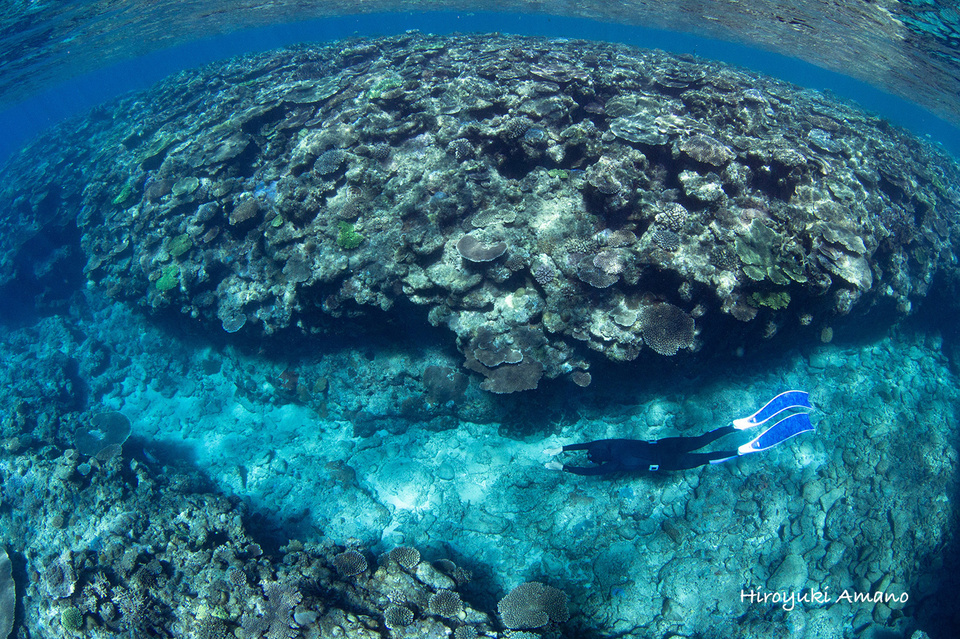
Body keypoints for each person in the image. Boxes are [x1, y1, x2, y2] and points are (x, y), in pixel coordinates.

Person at [545, 390, 813, 476]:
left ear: (602, 459)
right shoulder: (611, 443)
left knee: (706, 458)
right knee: (701, 440)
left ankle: (739, 450)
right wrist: (563, 450)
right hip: (664, 444)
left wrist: (564, 469)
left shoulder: (612, 466)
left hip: (667, 462)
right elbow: (591, 443)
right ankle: (735, 426)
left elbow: (592, 472)